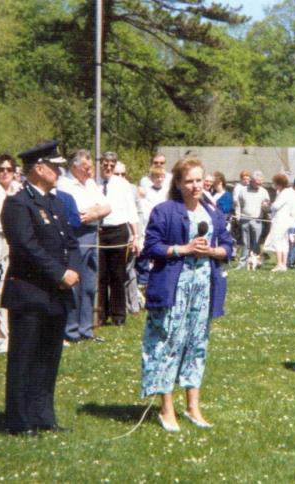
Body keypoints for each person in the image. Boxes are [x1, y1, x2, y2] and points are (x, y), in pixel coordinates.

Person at [141, 155, 232, 432]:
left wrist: (214, 251)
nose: (195, 186)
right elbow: (151, 247)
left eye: (199, 181)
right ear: (178, 183)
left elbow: (228, 245)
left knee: (196, 345)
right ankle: (166, 408)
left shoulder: (213, 212)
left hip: (204, 288)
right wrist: (183, 249)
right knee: (168, 344)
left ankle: (193, 406)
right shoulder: (164, 211)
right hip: (173, 288)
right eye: (189, 181)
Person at [1, 141, 81, 436]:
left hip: (56, 294)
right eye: (55, 166)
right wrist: (60, 273)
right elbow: (26, 247)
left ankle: (43, 415)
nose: (60, 171)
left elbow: (70, 241)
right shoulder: (18, 204)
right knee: (24, 358)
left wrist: (72, 270)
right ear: (38, 168)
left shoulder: (55, 202)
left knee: (48, 358)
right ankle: (19, 421)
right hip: (30, 292)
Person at [58, 149, 111, 342]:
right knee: (74, 283)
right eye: (86, 167)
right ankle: (71, 331)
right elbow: (74, 213)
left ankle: (86, 329)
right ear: (74, 167)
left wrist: (95, 213)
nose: (90, 171)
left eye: (90, 167)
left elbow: (107, 206)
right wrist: (92, 211)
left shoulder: (90, 184)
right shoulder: (64, 185)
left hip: (92, 234)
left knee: (89, 284)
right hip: (75, 236)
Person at [97, 151, 139, 327]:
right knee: (101, 276)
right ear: (101, 164)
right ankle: (101, 314)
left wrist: (135, 236)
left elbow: (131, 211)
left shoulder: (123, 184)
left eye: (111, 165)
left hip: (119, 231)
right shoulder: (93, 183)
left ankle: (118, 315)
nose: (108, 168)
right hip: (99, 232)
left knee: (117, 275)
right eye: (105, 164)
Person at [236, 170, 270, 269]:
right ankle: (242, 263)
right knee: (245, 243)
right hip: (245, 219)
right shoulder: (243, 190)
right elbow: (239, 204)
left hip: (257, 220)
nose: (259, 185)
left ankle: (256, 263)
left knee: (256, 242)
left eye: (261, 183)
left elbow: (268, 207)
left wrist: (265, 206)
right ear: (252, 181)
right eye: (257, 183)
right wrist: (238, 215)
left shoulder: (264, 191)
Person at [264, 174, 295, 272]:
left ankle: (279, 264)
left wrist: (268, 204)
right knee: (284, 242)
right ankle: (283, 264)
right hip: (285, 220)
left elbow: (276, 206)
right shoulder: (286, 192)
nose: (274, 185)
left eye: (275, 183)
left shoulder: (285, 193)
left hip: (280, 220)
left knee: (277, 241)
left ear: (279, 184)